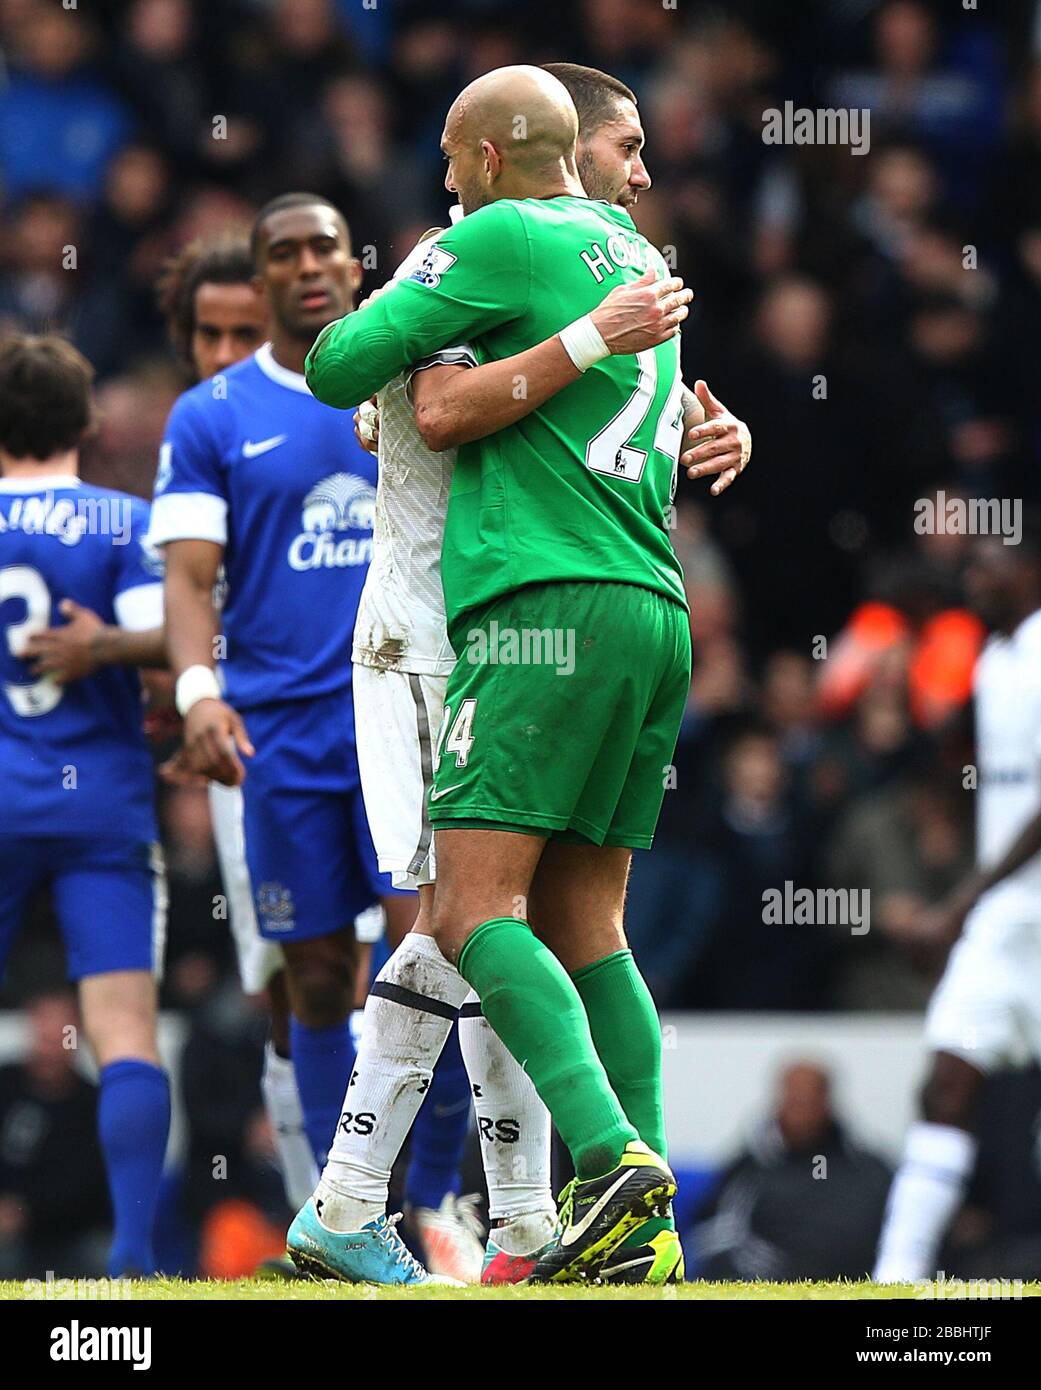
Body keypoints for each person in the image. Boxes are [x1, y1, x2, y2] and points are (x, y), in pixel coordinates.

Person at [289, 60, 750, 1288]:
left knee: (466, 913)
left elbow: (349, 370)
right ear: (584, 151)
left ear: (491, 158)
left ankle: (600, 1166)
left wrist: (408, 328)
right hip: (656, 608)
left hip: (525, 612)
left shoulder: (499, 239)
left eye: (452, 159)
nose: (444, 179)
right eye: (631, 146)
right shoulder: (639, 263)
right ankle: (623, 1238)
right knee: (586, 923)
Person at [145, 195, 416, 1181]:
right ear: (260, 280)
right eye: (285, 253)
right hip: (279, 735)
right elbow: (185, 575)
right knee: (309, 975)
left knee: (422, 960)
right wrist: (195, 692)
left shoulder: (410, 377)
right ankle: (346, 1211)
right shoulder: (212, 413)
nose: (307, 266)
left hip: (404, 712)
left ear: (355, 267)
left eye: (325, 249)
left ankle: (433, 1201)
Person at [0, 334, 170, 1276]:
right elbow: (162, 640)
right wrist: (104, 646)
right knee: (123, 1033)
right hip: (100, 801)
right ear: (89, 424)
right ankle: (137, 1261)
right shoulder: (120, 521)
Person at [874, 532, 1041, 1282]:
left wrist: (957, 903)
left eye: (987, 564)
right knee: (945, 1081)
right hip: (1004, 923)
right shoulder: (995, 658)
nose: (972, 577)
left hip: (1000, 909)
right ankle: (896, 1276)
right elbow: (955, 759)